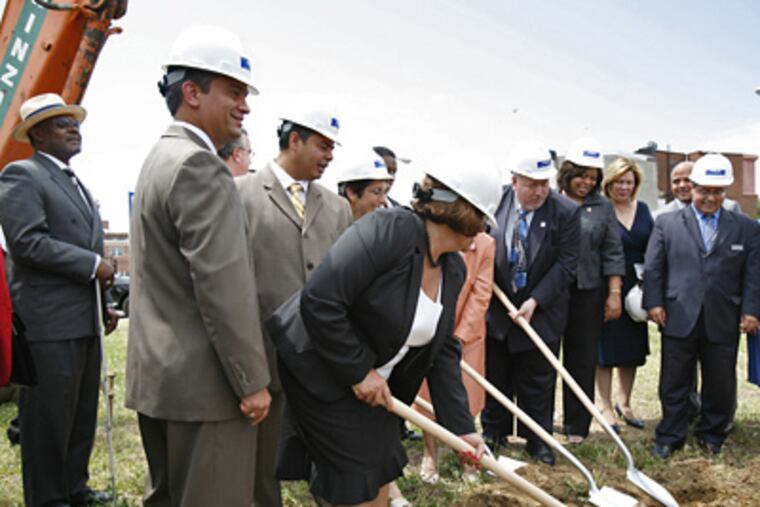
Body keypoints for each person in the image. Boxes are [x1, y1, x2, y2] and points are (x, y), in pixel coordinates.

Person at [267, 161, 498, 507]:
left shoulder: (451, 269)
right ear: (464, 212)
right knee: (353, 476)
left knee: (380, 469)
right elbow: (321, 298)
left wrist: (461, 429)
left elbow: (442, 352)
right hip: (323, 367)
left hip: (375, 383)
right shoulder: (388, 230)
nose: (482, 232)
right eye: (482, 221)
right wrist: (358, 372)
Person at [125, 26, 271, 506]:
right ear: (191, 93)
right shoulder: (200, 166)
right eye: (233, 92)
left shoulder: (160, 158)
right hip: (206, 391)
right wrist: (252, 382)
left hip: (163, 383)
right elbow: (222, 288)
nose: (245, 106)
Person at [0, 93, 118, 507]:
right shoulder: (21, 175)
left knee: (80, 414)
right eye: (61, 123)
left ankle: (74, 488)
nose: (74, 128)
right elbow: (28, 243)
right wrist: (93, 264)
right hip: (48, 325)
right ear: (36, 134)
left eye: (74, 122)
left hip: (82, 321)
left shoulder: (74, 182)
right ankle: (48, 498)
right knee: (48, 419)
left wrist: (102, 307)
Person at [235, 105, 353, 507]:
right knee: (262, 463)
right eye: (323, 145)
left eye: (333, 149)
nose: (330, 156)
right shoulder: (240, 195)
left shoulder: (337, 208)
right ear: (294, 139)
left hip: (322, 358)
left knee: (330, 454)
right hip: (266, 356)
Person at [644, 153, 760, 458]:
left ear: (726, 192)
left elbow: (753, 275)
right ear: (692, 188)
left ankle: (712, 433)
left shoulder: (746, 228)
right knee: (674, 379)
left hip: (723, 316)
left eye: (717, 191)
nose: (710, 197)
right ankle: (670, 435)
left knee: (720, 380)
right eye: (704, 190)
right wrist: (653, 302)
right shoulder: (667, 223)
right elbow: (654, 267)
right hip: (678, 314)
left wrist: (751, 311)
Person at [482, 140, 580, 465]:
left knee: (538, 380)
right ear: (514, 181)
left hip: (542, 310)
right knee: (496, 375)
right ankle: (493, 434)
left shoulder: (565, 212)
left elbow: (567, 263)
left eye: (544, 184)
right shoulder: (493, 202)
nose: (539, 192)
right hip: (497, 309)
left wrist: (536, 300)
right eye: (531, 185)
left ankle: (537, 440)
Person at [556, 138, 625, 443]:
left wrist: (614, 293)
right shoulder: (550, 201)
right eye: (581, 175)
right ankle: (540, 422)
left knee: (581, 359)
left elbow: (613, 252)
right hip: (550, 294)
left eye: (592, 178)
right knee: (542, 360)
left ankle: (576, 426)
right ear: (567, 172)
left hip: (588, 293)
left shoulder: (603, 208)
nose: (586, 182)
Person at [416, 231, 495, 483]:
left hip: (466, 334)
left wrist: (460, 335)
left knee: (465, 394)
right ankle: (430, 454)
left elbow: (482, 292)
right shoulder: (430, 239)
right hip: (430, 329)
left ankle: (467, 457)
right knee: (427, 394)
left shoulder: (485, 245)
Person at [596, 157, 653, 430]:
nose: (624, 187)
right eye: (619, 181)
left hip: (637, 288)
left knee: (631, 348)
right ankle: (605, 406)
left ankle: (625, 402)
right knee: (606, 348)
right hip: (606, 285)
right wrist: (611, 291)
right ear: (610, 182)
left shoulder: (642, 210)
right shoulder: (600, 209)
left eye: (629, 182)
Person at [653, 160, 741, 219]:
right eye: (676, 182)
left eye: (687, 180)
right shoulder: (659, 216)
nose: (682, 185)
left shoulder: (728, 208)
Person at [336, 152, 394, 219]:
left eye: (385, 192)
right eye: (377, 192)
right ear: (351, 192)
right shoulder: (328, 226)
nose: (383, 200)